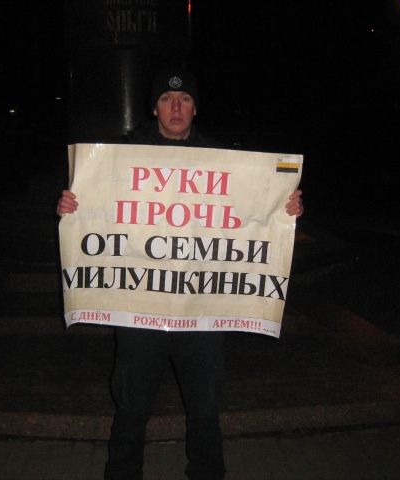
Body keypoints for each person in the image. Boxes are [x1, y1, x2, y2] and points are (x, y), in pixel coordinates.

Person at [57, 68, 304, 480]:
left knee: (205, 408)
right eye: (167, 99)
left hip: (201, 308)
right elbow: (96, 210)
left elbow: (251, 216)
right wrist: (71, 207)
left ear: (195, 108)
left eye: (185, 99)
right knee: (132, 407)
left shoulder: (221, 160)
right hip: (139, 309)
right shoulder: (121, 156)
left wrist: (284, 208)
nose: (176, 107)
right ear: (154, 108)